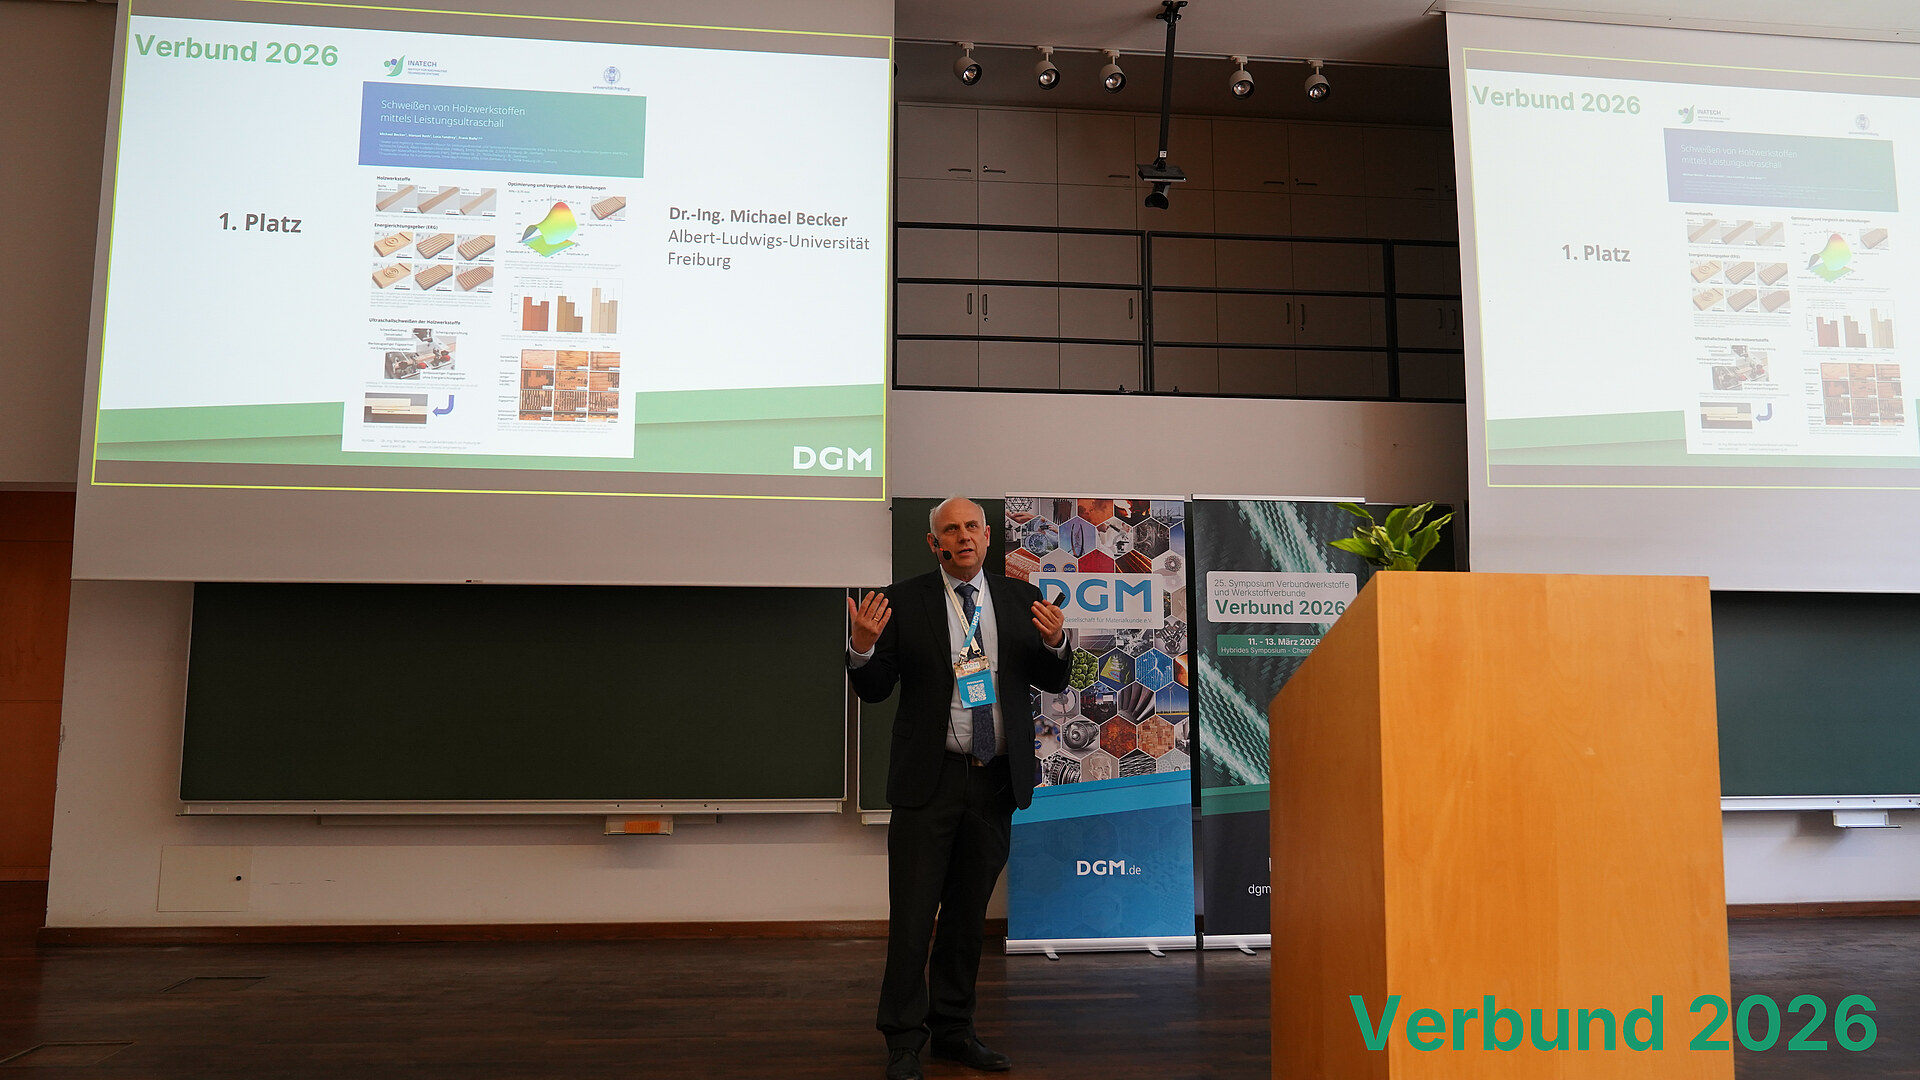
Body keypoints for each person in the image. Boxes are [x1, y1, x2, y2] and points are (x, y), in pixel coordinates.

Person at [847, 497, 1070, 1080]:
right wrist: (863, 647)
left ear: (988, 535)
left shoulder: (1021, 599)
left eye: (972, 526)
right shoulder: (901, 602)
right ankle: (902, 1041)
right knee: (913, 917)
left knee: (968, 918)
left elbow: (1051, 678)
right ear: (934, 543)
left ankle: (953, 1030)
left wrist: (1056, 643)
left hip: (994, 779)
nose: (963, 536)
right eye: (951, 529)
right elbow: (875, 688)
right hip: (931, 780)